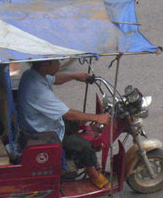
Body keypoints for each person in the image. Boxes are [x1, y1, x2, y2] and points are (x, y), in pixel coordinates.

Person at [17, 60, 111, 189]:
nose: (59, 64)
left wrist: (75, 76)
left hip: (44, 122)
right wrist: (97, 117)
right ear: (45, 65)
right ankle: (93, 174)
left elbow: (54, 79)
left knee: (79, 120)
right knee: (84, 146)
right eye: (56, 62)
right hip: (44, 132)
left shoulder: (32, 74)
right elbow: (68, 113)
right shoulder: (38, 91)